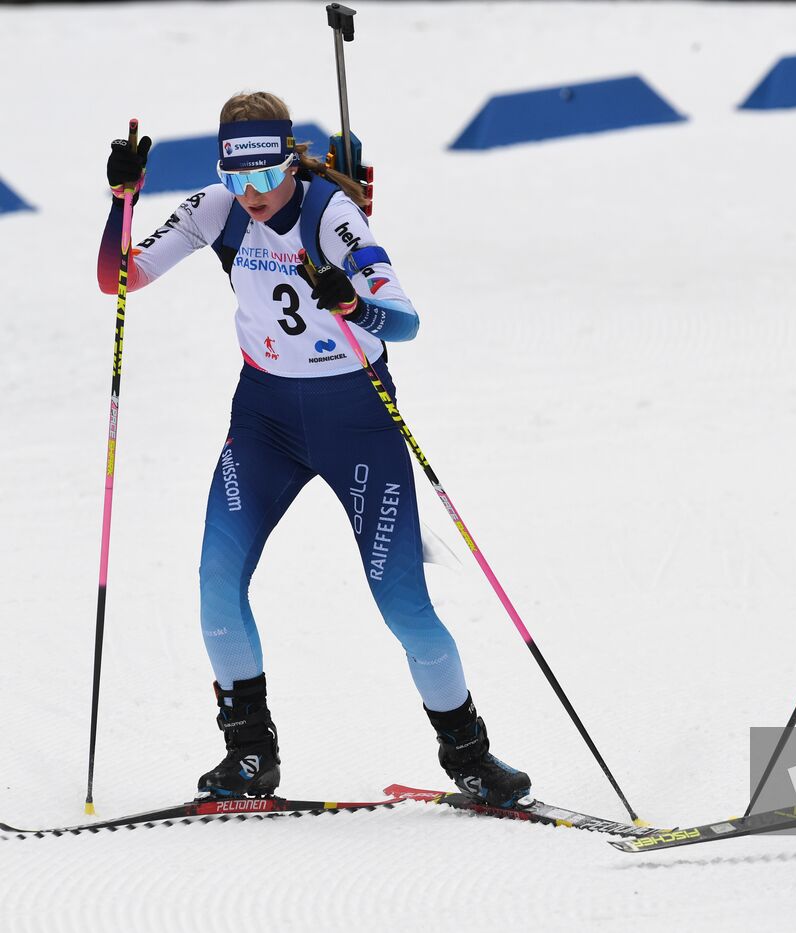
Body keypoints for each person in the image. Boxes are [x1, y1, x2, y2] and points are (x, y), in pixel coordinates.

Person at [97, 91, 532, 807]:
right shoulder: (217, 207)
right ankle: (250, 752)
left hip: (356, 420)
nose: (254, 195)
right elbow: (119, 277)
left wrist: (355, 303)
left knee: (404, 607)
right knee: (216, 581)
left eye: (266, 177)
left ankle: (471, 757)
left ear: (289, 163)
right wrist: (123, 203)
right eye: (238, 180)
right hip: (266, 419)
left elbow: (407, 323)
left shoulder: (333, 214)